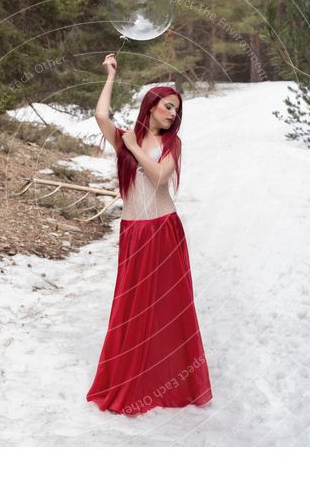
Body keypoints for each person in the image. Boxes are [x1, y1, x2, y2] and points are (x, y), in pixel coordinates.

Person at [86, 53, 213, 415]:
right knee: (130, 308)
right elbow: (100, 116)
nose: (172, 114)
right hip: (134, 232)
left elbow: (159, 177)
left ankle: (171, 383)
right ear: (151, 106)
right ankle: (131, 380)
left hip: (164, 229)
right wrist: (110, 74)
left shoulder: (171, 144)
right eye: (168, 107)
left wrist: (134, 148)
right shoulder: (126, 138)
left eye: (176, 110)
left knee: (169, 309)